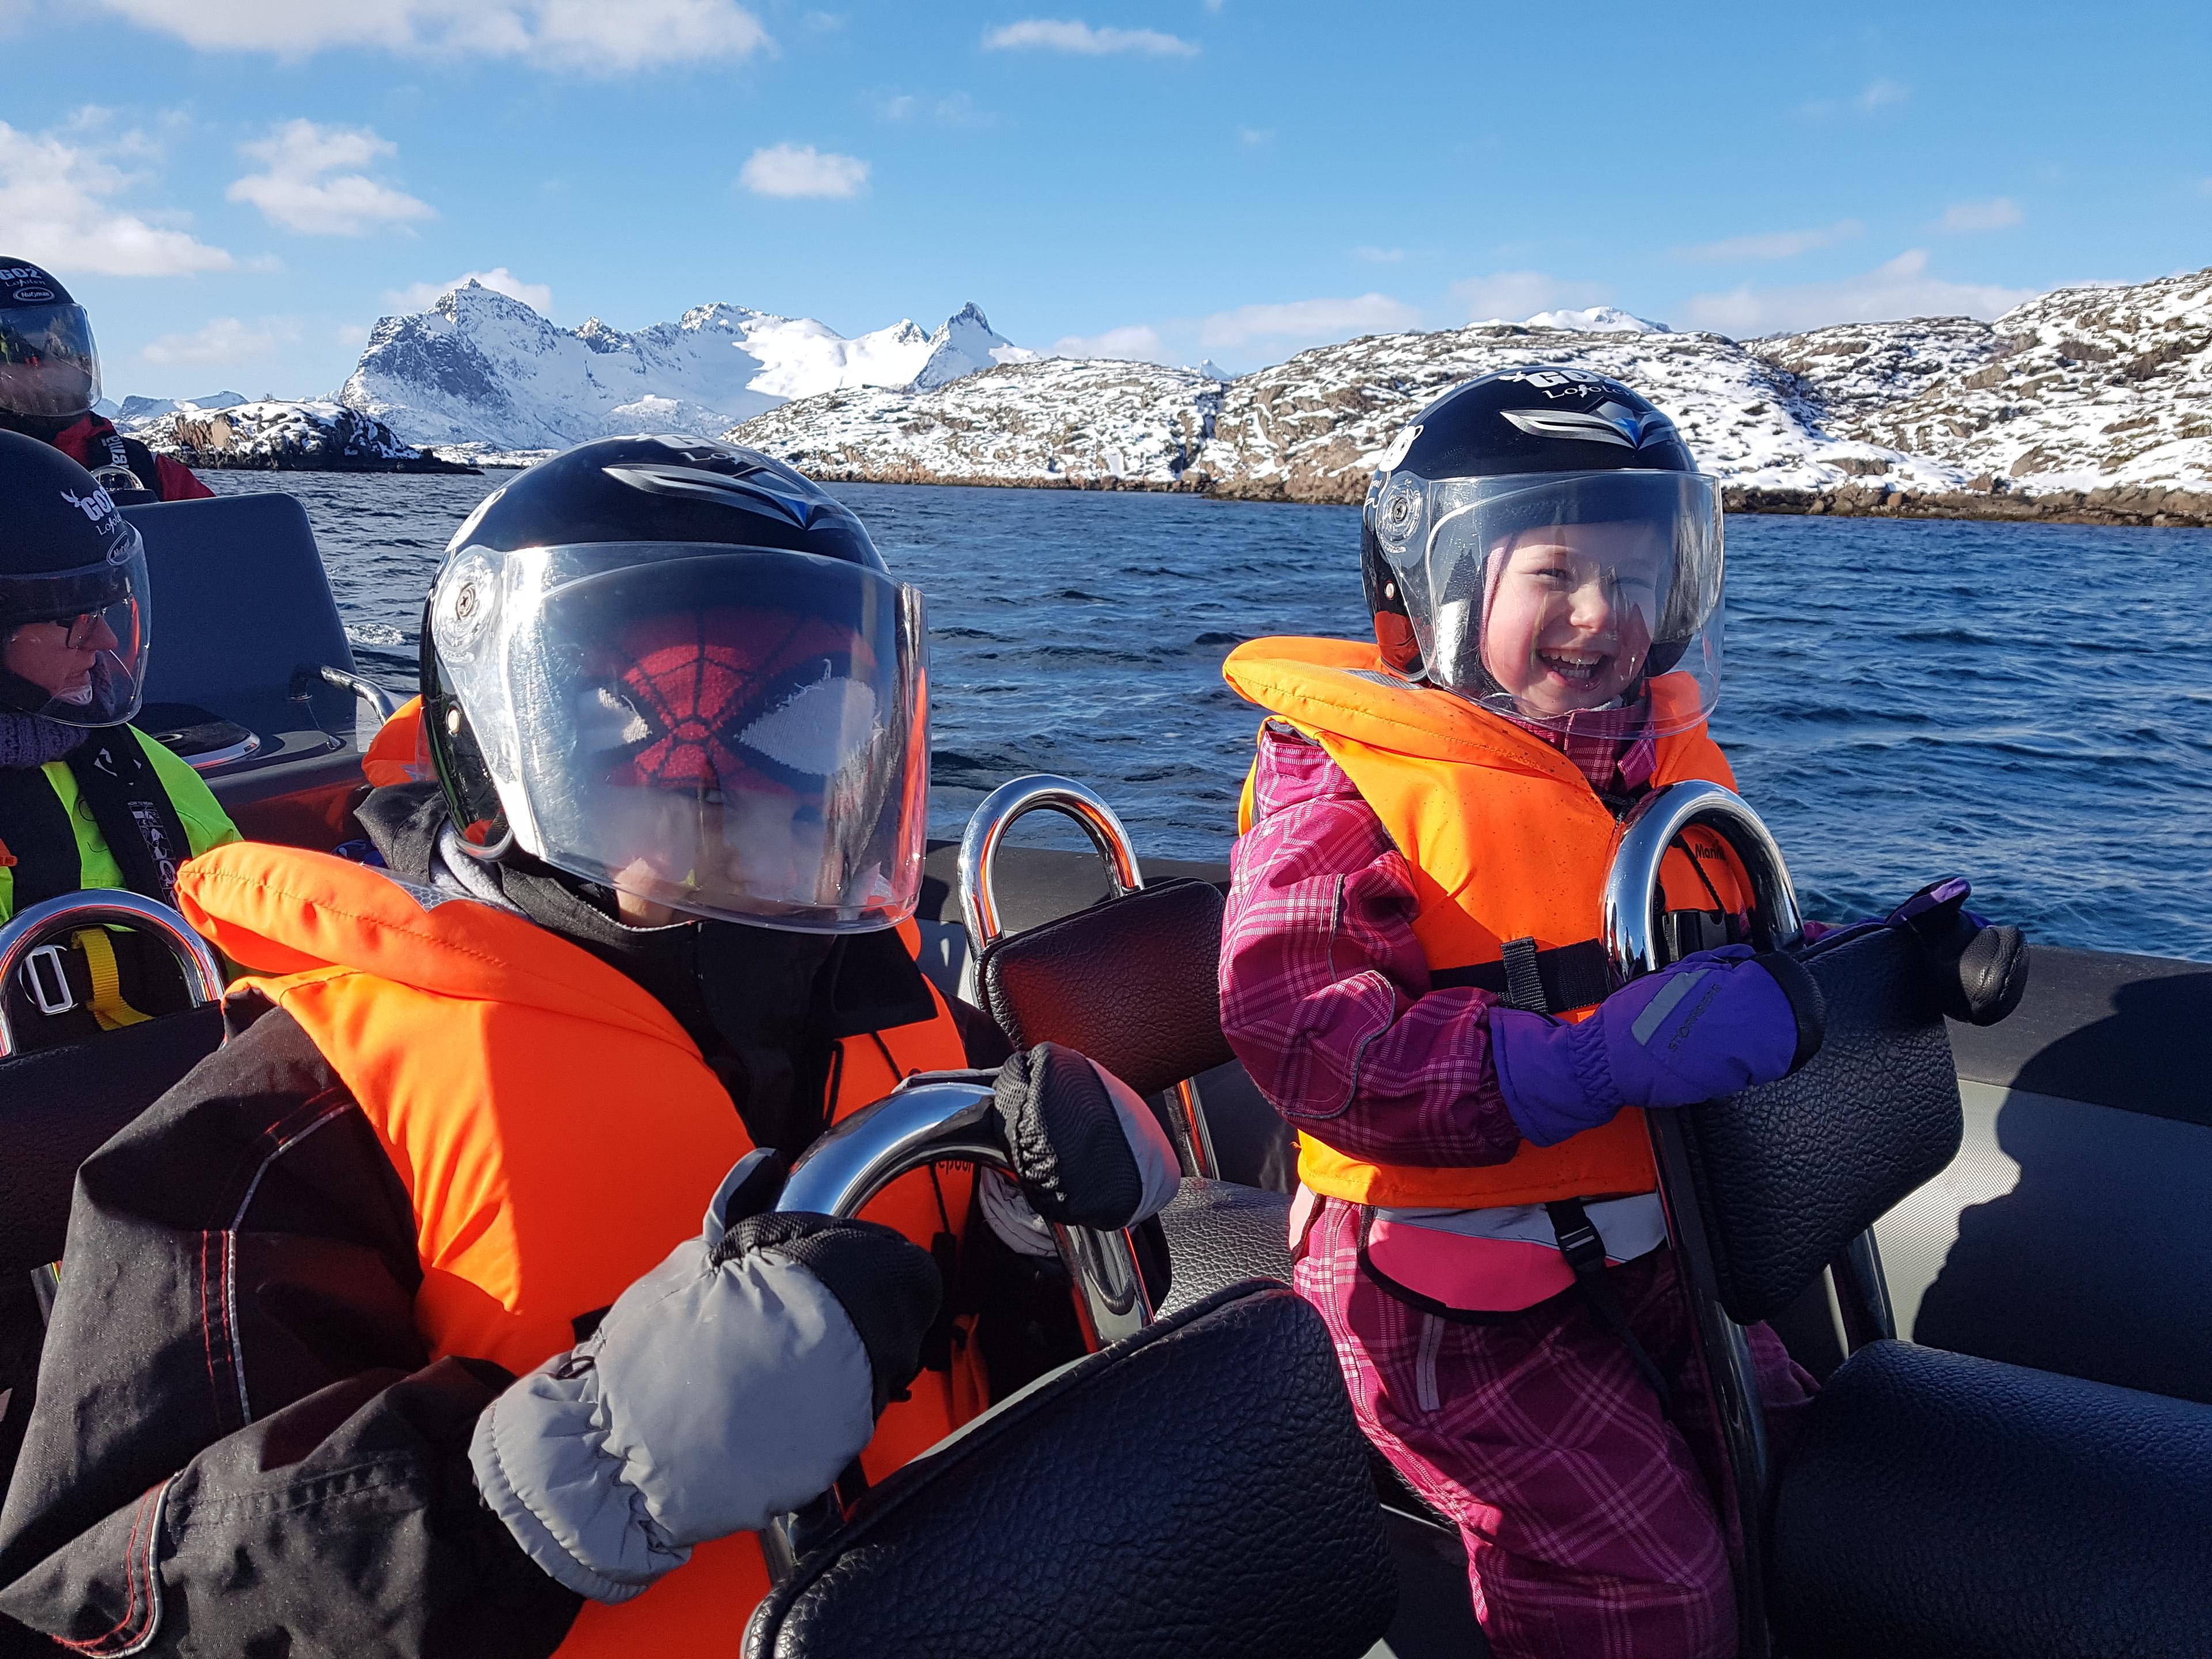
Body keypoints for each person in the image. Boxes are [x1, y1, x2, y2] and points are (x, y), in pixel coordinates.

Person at [0, 436, 1178, 1657]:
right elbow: (90, 1613)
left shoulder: (917, 1024)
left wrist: (1050, 1247)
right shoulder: (295, 1112)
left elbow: (1009, 1403)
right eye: (641, 724)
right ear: (507, 747)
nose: (733, 791)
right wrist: (576, 1471)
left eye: (806, 723)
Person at [1215, 369, 1830, 1659]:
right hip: (1435, 1290)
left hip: (1649, 1241)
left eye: (1635, 572)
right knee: (1642, 1585)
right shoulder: (1340, 777)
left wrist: (1844, 969)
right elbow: (1301, 1027)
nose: (1600, 615)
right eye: (1552, 572)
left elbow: (1721, 932)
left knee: (1809, 1471)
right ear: (1442, 579)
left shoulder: (1649, 764)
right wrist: (1579, 1063)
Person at [0, 430, 239, 1041]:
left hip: (155, 1076)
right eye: (72, 622)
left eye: (105, 613)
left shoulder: (131, 761)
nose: (106, 643)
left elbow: (245, 920)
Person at [0, 260, 212, 503]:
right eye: (20, 352)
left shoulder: (151, 474)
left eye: (65, 347)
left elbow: (228, 533)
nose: (49, 368)